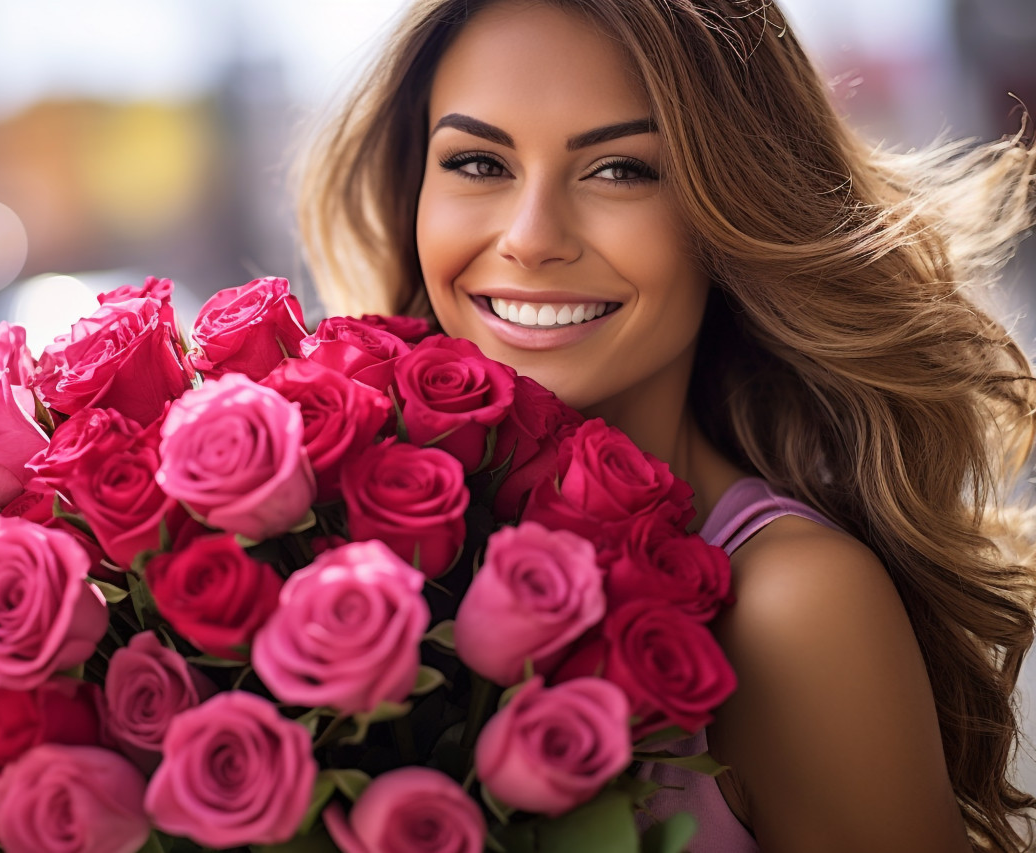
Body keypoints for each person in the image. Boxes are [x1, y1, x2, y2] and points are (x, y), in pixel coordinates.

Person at [293, 1, 1036, 851]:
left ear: (731, 209)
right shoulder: (324, 548)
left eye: (620, 170)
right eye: (477, 161)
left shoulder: (795, 607)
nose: (532, 239)